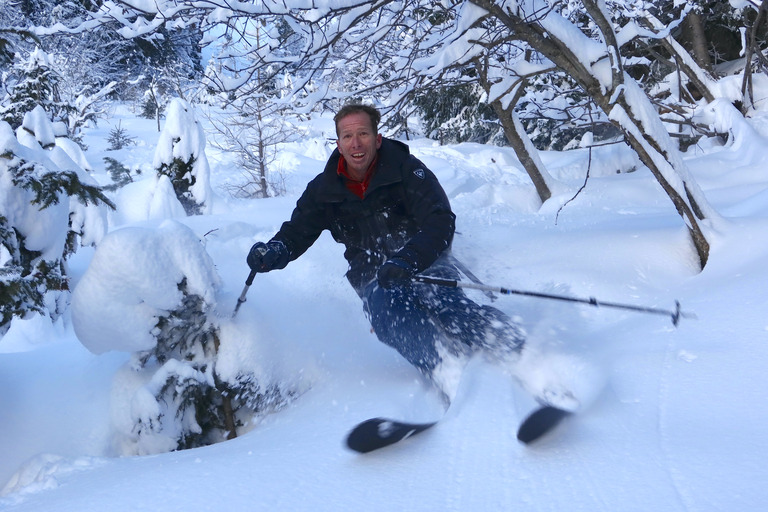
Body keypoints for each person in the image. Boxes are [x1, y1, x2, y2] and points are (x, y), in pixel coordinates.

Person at [247, 103, 524, 394]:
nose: (356, 143)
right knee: (392, 320)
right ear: (339, 144)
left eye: (363, 134)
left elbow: (440, 219)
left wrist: (408, 259)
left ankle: (518, 349)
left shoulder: (407, 170)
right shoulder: (323, 190)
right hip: (372, 275)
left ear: (377, 139)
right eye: (347, 136)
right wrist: (274, 251)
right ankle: (446, 369)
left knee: (452, 310)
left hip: (423, 261)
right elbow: (295, 233)